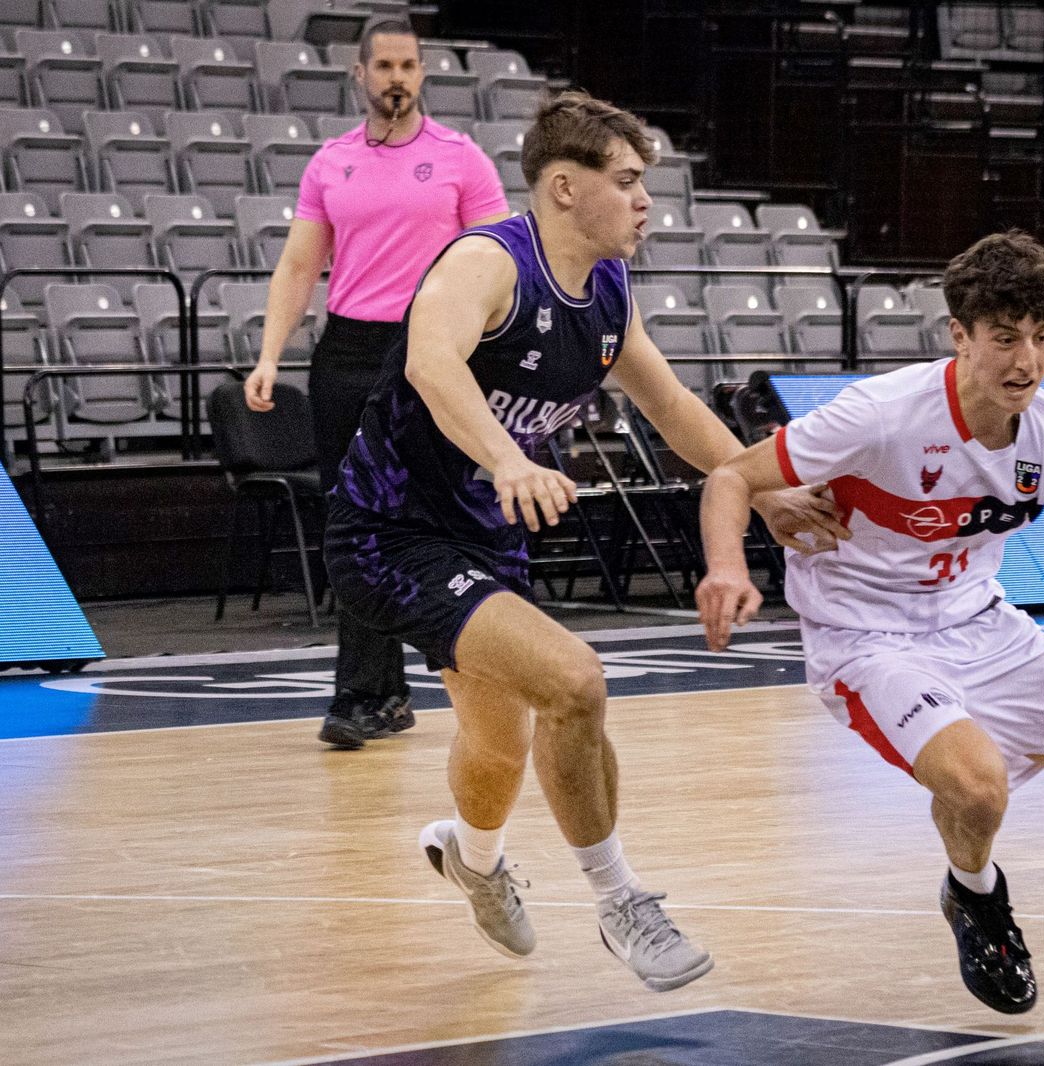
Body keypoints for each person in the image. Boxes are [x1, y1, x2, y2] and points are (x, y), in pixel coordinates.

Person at [321, 91, 846, 991]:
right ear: (564, 187)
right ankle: (621, 901)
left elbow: (675, 408)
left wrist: (765, 495)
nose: (647, 201)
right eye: (629, 181)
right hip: (390, 532)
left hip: (486, 541)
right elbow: (429, 361)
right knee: (575, 682)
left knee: (499, 745)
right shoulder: (488, 262)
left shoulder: (607, 289)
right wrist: (506, 460)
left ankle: (474, 861)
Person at [693, 230, 1044, 1014]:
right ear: (960, 336)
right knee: (977, 789)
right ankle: (973, 892)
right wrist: (727, 567)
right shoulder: (881, 414)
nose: (1026, 360)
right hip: (866, 638)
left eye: (1043, 337)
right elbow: (731, 475)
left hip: (980, 624)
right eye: (1005, 338)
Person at [244, 19, 511, 750]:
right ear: (359, 74)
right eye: (385, 65)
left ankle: (478, 666)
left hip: (433, 348)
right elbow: (299, 266)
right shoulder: (330, 163)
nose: (398, 77)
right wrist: (270, 355)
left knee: (441, 513)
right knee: (352, 520)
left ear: (422, 75)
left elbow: (497, 265)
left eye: (410, 65)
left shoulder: (462, 159)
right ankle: (370, 693)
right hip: (346, 350)